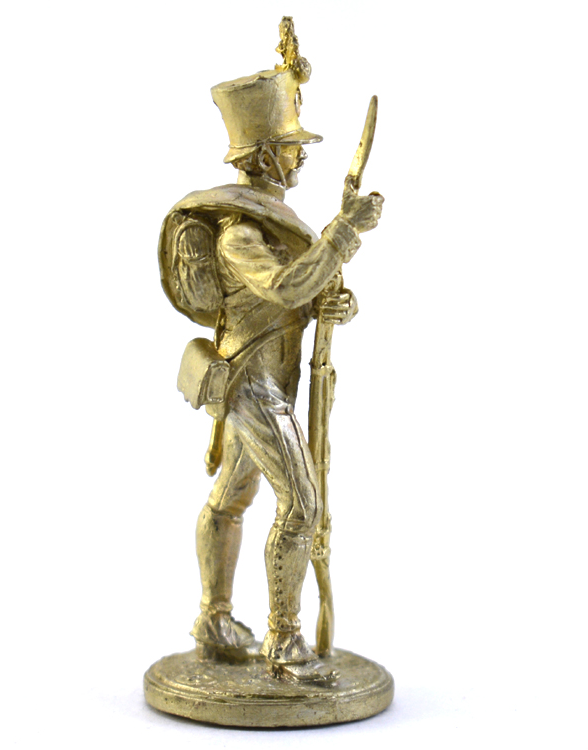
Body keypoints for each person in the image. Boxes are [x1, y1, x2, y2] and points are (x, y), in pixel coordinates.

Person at [158, 26, 383, 683]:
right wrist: (343, 233)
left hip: (264, 383)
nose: (300, 157)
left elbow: (300, 297)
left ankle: (215, 620)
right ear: (263, 158)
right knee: (301, 507)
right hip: (252, 388)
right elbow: (286, 287)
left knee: (229, 499)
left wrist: (333, 306)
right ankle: (282, 642)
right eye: (291, 147)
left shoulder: (268, 226)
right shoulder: (239, 237)